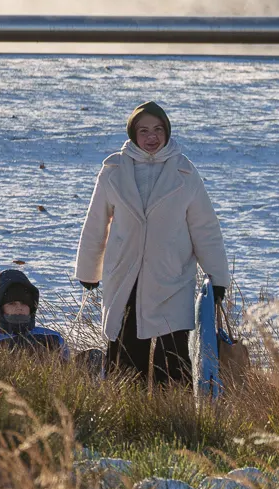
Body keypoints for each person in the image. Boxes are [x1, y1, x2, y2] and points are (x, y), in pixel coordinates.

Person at [73, 101, 230, 387]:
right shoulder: (113, 170)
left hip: (173, 278)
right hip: (125, 279)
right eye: (143, 130)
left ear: (167, 131)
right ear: (133, 133)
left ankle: (172, 419)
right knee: (125, 363)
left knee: (172, 363)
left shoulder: (185, 172)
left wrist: (217, 278)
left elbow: (205, 229)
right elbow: (96, 224)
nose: (151, 136)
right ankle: (125, 420)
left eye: (158, 129)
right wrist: (88, 271)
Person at [0, 267, 67, 355]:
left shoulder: (52, 338)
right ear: (0, 308)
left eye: (24, 303)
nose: (19, 307)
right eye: (12, 303)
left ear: (32, 307)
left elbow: (67, 366)